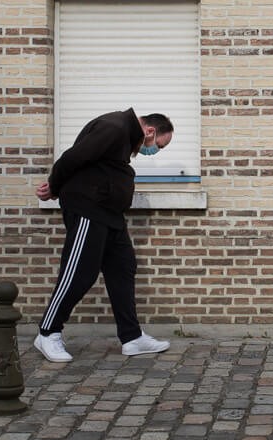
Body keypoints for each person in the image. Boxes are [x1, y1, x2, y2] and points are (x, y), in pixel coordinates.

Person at [33, 108, 174, 362]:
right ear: (150, 131)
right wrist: (54, 186)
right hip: (89, 208)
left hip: (109, 214)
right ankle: (48, 331)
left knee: (123, 266)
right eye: (158, 146)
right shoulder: (115, 127)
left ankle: (132, 338)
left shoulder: (123, 135)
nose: (153, 150)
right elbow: (72, 158)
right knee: (79, 272)